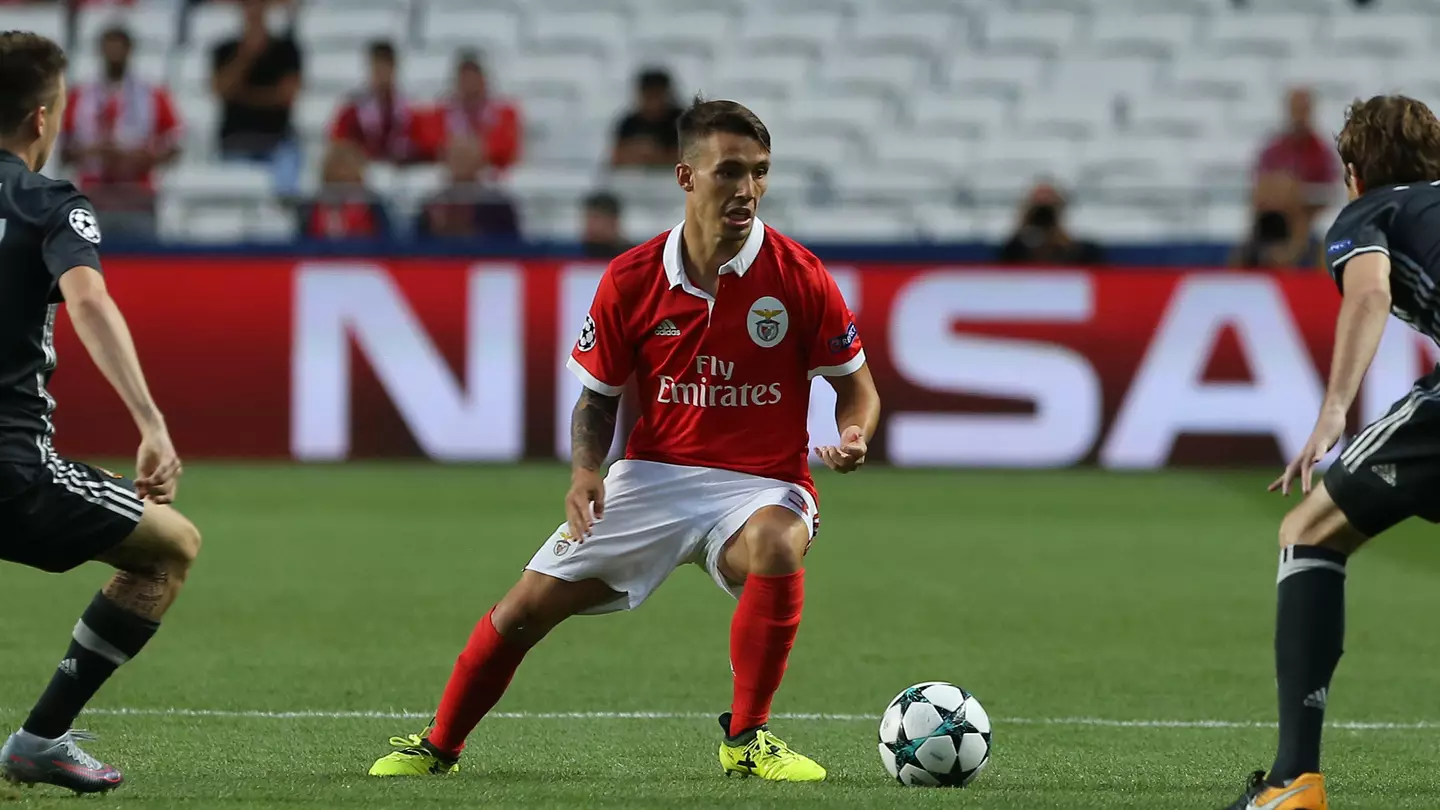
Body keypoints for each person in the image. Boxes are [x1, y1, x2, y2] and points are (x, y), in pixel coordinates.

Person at [368, 98, 878, 783]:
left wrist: (854, 433)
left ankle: (747, 737)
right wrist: (586, 473)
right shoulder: (632, 278)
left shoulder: (799, 277)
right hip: (653, 476)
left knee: (778, 542)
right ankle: (439, 744)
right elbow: (597, 397)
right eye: (730, 171)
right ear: (686, 177)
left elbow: (858, 387)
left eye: (759, 172)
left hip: (762, 483)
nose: (748, 190)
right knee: (523, 610)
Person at [1222, 95, 1440, 810]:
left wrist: (1333, 413)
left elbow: (1370, 294)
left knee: (1308, 530)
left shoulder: (1366, 215)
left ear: (1352, 171)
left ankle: (1294, 783)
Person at [0, 32, 201, 795]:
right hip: (10, 470)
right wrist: (151, 423)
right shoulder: (47, 201)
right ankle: (40, 739)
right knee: (168, 547)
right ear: (44, 119)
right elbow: (87, 301)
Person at [61, 25, 182, 238]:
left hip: (137, 190)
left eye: (119, 49)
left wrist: (143, 157)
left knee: (139, 259)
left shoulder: (152, 95)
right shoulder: (81, 96)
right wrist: (93, 152)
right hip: (93, 190)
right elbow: (65, 150)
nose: (114, 55)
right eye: (109, 49)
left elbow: (174, 144)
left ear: (129, 51)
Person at [210, 0, 302, 194]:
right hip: (235, 141)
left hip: (278, 142)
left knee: (287, 191)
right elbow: (221, 90)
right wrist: (246, 56)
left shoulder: (287, 49)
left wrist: (242, 95)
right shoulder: (224, 49)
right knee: (235, 197)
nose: (254, 11)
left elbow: (287, 96)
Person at [419, 51, 519, 175]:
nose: (470, 83)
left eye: (474, 76)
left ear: (483, 79)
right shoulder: (440, 115)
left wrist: (475, 151)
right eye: (465, 77)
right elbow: (430, 144)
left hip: (491, 177)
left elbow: (507, 147)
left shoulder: (504, 114)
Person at [328, 40, 419, 164]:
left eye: (386, 68)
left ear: (394, 69)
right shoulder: (352, 111)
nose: (382, 75)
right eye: (377, 69)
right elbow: (338, 144)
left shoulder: (408, 110)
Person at [414, 137, 520, 240]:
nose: (462, 162)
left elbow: (510, 244)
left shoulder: (497, 204)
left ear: (482, 160)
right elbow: (417, 246)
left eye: (467, 156)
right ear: (445, 160)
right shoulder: (432, 205)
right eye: (457, 156)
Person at [1229, 172, 1323, 271]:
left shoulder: (1317, 250)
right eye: (1268, 192)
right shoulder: (1246, 251)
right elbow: (1235, 279)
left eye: (1277, 192)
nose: (1272, 198)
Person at [297, 142, 391, 240]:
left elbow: (386, 242)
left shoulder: (373, 205)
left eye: (347, 181)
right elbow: (303, 243)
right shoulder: (311, 207)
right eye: (337, 181)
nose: (342, 171)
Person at [998, 182, 1104, 265]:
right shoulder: (1014, 249)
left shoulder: (1081, 252)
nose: (1043, 215)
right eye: (1039, 207)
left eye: (1048, 208)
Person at [611, 68, 683, 168]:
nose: (653, 102)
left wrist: (658, 156)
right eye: (649, 96)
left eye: (657, 95)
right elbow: (615, 157)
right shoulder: (629, 123)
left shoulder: (682, 121)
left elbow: (694, 156)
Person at [580, 190, 630, 258]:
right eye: (587, 217)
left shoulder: (630, 256)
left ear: (613, 221)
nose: (589, 223)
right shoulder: (572, 254)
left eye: (596, 217)